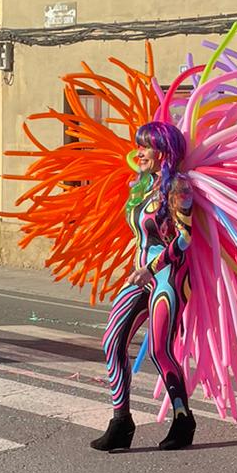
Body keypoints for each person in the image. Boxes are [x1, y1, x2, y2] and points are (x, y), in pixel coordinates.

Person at [91, 120, 196, 453]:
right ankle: (121, 421)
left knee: (159, 349)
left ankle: (183, 420)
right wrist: (139, 267)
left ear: (164, 151)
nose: (139, 153)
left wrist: (151, 267)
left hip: (169, 275)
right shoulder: (139, 185)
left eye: (146, 147)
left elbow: (185, 238)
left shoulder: (178, 187)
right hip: (139, 275)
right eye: (138, 146)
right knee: (112, 341)